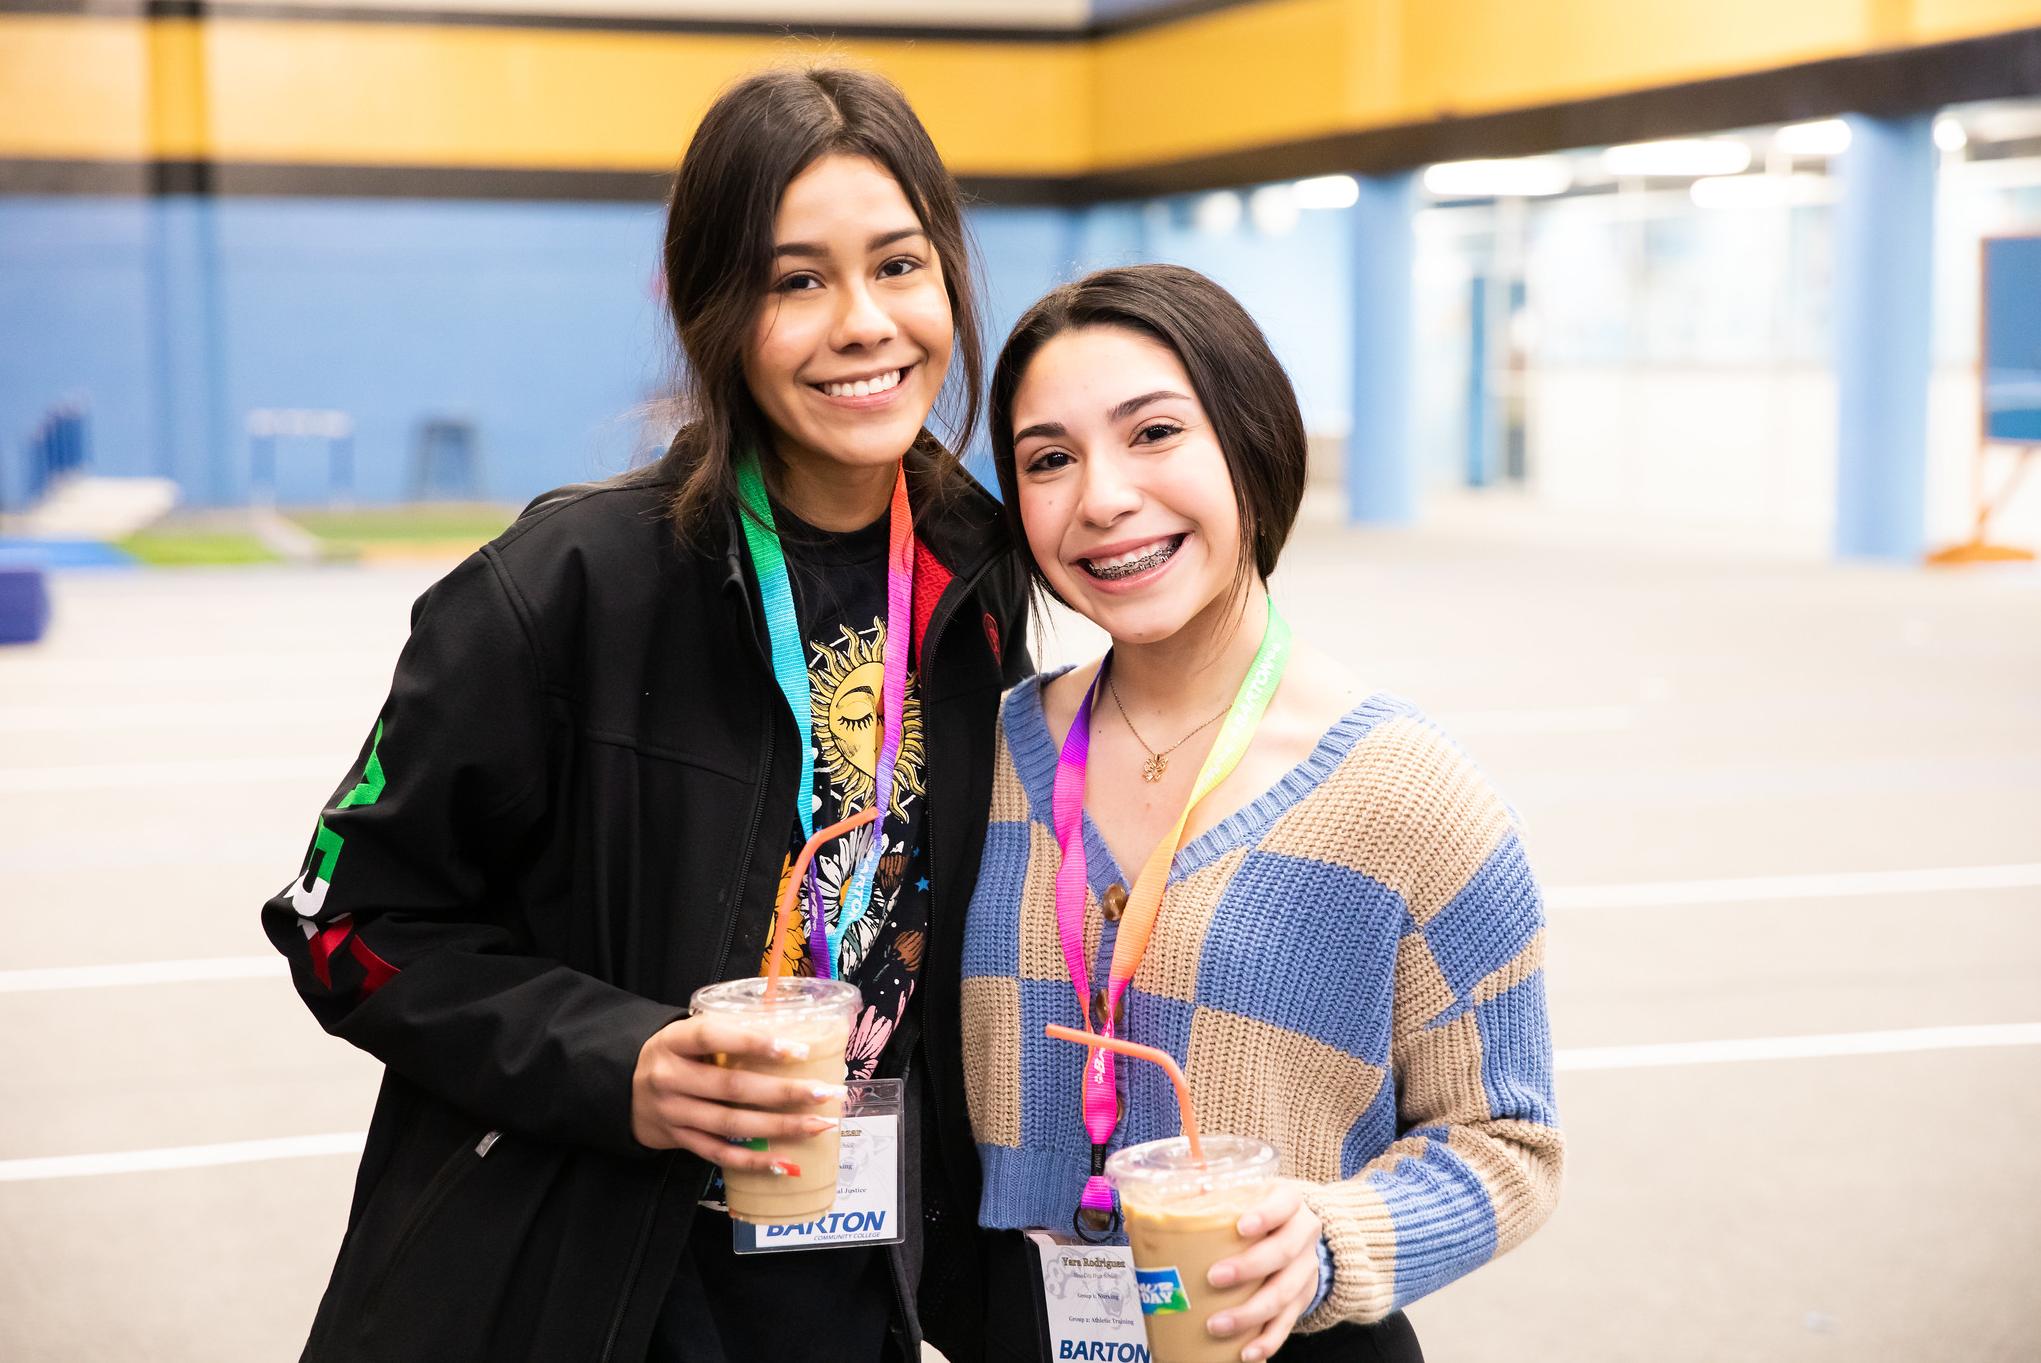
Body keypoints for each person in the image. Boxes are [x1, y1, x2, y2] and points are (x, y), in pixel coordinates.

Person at [262, 66, 1030, 1363]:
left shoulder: (986, 581)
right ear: (709, 308)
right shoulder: (560, 587)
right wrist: (620, 1055)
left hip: (852, 1292)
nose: (864, 322)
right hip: (577, 1289)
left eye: (899, 264)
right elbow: (343, 919)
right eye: (797, 280)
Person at [960, 265, 1563, 1362]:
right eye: (1049, 458)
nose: (1101, 496)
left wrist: (1328, 1239)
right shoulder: (986, 758)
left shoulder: (1409, 793)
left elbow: (1508, 1139)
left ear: (1248, 438)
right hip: (1020, 1331)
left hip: (1277, 1337)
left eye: (1152, 433)